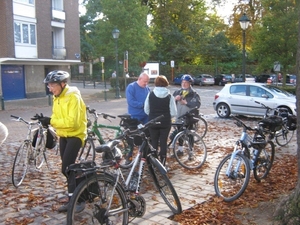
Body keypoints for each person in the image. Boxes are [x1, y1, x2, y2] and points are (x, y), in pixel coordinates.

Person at [40, 70, 87, 213]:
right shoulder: (57, 97)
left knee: (67, 168)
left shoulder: (73, 97)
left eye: (52, 85)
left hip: (76, 135)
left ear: (62, 84)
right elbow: (58, 117)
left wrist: (51, 121)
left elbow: (72, 122)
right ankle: (76, 195)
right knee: (69, 169)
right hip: (64, 136)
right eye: (49, 86)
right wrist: (46, 121)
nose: (50, 88)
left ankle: (78, 200)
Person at [144, 75, 177, 166]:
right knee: (163, 141)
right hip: (165, 122)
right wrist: (168, 116)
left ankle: (154, 161)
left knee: (154, 141)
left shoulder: (150, 94)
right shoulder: (169, 96)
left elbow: (146, 109)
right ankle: (163, 162)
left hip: (153, 121)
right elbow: (174, 112)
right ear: (166, 83)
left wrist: (152, 114)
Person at [173, 74, 201, 155]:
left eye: (186, 82)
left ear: (190, 83)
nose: (184, 84)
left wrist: (187, 103)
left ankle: (191, 151)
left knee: (190, 134)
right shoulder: (177, 92)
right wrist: (175, 99)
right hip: (179, 116)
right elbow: (171, 103)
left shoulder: (194, 93)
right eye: (183, 82)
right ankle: (180, 150)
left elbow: (197, 104)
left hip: (189, 117)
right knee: (179, 133)